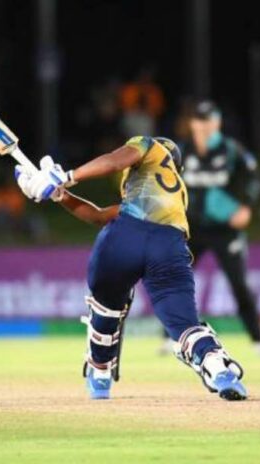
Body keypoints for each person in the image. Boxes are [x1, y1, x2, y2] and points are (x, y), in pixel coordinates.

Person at [13, 136, 247, 401]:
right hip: (169, 246)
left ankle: (100, 371)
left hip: (125, 237)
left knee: (107, 305)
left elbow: (113, 162)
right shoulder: (173, 195)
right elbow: (100, 214)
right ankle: (218, 369)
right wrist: (60, 195)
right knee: (184, 325)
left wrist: (66, 176)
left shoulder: (150, 146)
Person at [165, 100, 260, 357]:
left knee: (238, 283)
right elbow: (166, 183)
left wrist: (245, 207)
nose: (203, 126)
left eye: (208, 120)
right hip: (191, 227)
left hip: (225, 228)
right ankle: (171, 336)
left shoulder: (231, 150)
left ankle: (259, 340)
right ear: (192, 123)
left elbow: (254, 178)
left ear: (217, 123)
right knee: (174, 280)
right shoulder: (182, 151)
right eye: (199, 121)